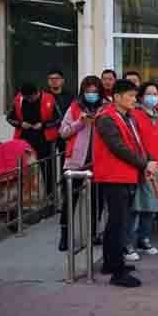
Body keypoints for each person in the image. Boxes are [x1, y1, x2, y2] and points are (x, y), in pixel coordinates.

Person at [93, 79, 158, 288]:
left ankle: (110, 263)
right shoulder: (106, 118)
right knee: (118, 223)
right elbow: (118, 147)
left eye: (134, 95)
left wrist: (148, 161)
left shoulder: (127, 117)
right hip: (114, 176)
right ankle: (118, 271)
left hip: (127, 175)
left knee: (118, 221)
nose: (134, 99)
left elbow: (137, 144)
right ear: (117, 97)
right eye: (130, 96)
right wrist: (144, 164)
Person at [57, 75, 104, 252]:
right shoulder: (75, 107)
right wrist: (80, 122)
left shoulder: (105, 108)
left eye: (95, 91)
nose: (91, 94)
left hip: (98, 162)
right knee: (69, 201)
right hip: (75, 162)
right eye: (88, 91)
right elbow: (63, 132)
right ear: (82, 92)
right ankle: (65, 235)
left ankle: (93, 233)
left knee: (96, 201)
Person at [127, 82, 158, 259]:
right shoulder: (134, 115)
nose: (153, 97)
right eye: (149, 94)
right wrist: (144, 162)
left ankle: (143, 238)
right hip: (141, 166)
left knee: (152, 206)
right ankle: (128, 243)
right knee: (136, 206)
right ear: (141, 97)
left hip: (156, 166)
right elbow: (134, 142)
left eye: (155, 93)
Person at [7, 82, 60, 161]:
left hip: (45, 139)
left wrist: (43, 125)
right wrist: (21, 124)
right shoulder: (18, 99)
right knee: (25, 166)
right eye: (26, 98)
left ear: (36, 93)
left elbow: (59, 118)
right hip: (24, 139)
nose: (29, 100)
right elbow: (9, 118)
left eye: (31, 98)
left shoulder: (49, 98)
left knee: (46, 165)